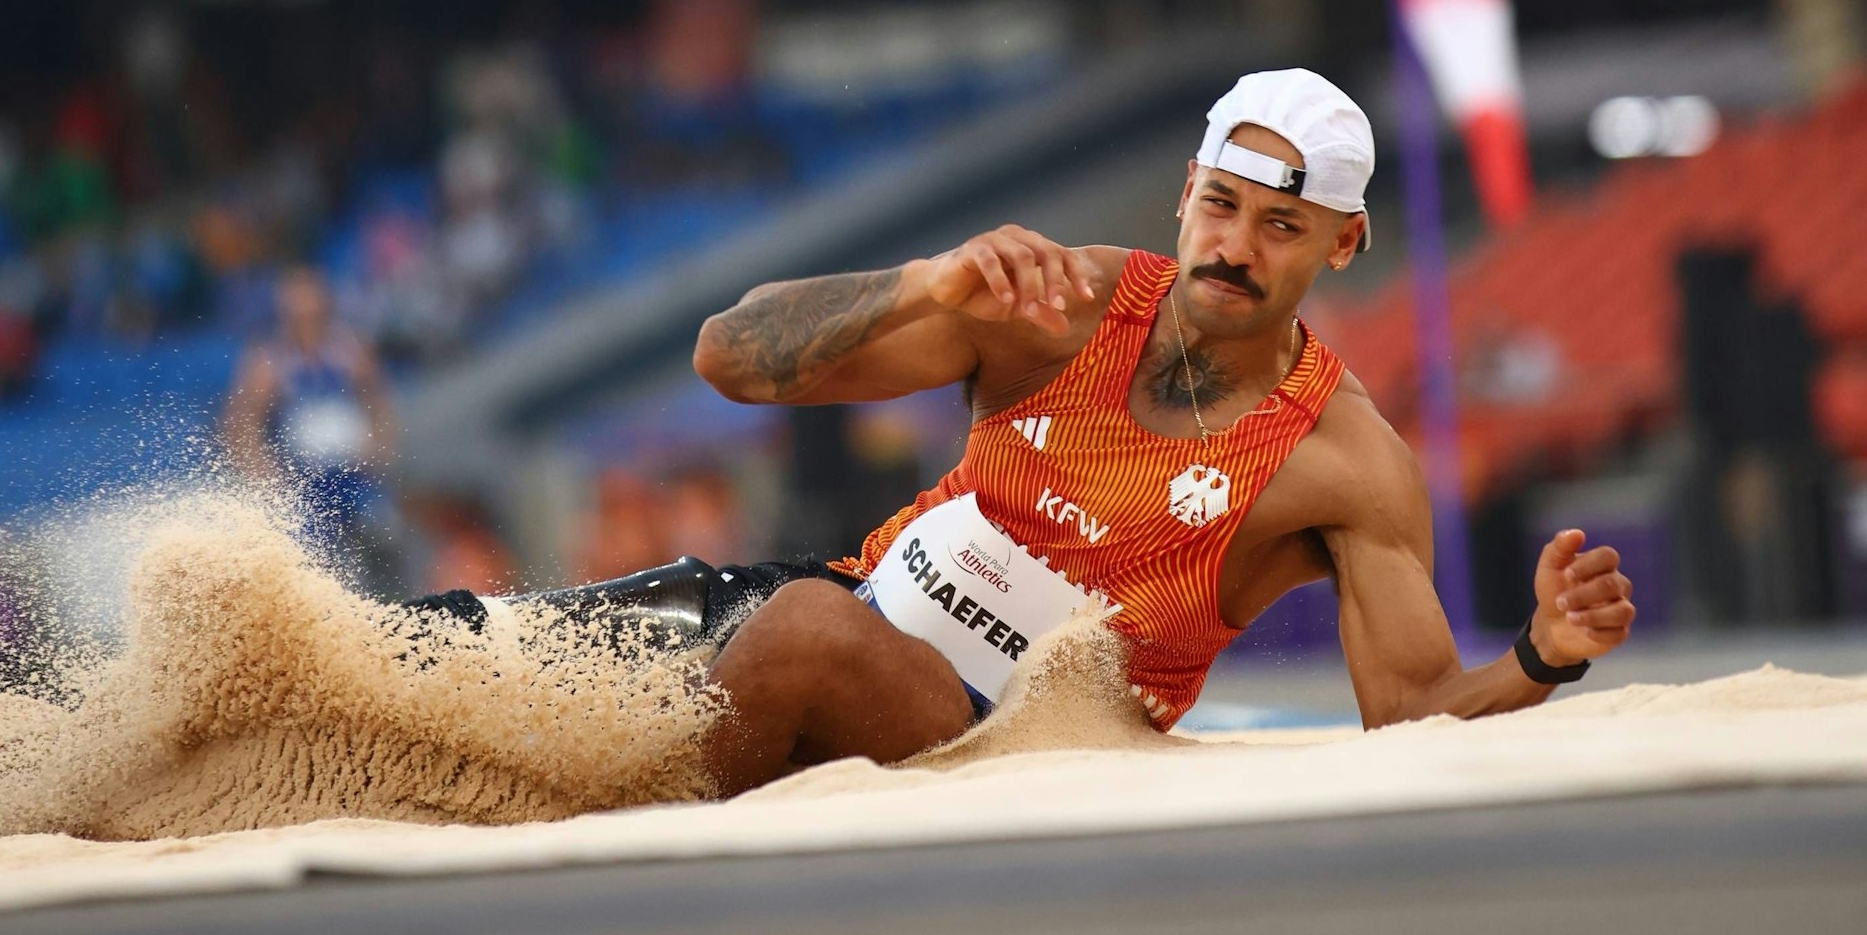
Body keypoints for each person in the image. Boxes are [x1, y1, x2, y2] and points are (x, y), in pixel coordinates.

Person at [409, 69, 1636, 797]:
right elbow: (729, 359)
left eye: (1281, 224)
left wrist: (1538, 654)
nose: (1233, 247)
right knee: (473, 645)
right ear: (1185, 192)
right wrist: (926, 282)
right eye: (1221, 205)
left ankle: (632, 844)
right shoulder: (1069, 301)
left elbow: (1409, 708)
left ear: (1343, 243)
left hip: (1010, 737)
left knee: (802, 635)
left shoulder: (1342, 460)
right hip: (840, 604)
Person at [223, 266, 402, 595]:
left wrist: (380, 446)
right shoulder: (270, 359)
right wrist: (263, 471)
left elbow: (378, 400)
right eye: (298, 311)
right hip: (304, 479)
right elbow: (243, 420)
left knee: (383, 536)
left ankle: (389, 602)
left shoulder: (349, 347)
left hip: (353, 471)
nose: (307, 319)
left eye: (312, 309)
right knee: (315, 558)